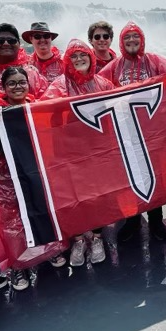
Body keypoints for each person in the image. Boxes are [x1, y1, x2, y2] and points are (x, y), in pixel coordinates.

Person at [0, 67, 69, 286]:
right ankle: (18, 266)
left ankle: (49, 253)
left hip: (36, 175)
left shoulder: (36, 108)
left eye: (22, 82)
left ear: (29, 84)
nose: (17, 87)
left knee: (41, 213)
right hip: (8, 180)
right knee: (13, 226)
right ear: (3, 87)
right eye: (12, 83)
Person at [99, 21, 166, 242]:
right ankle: (132, 220)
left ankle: (156, 220)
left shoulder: (154, 60)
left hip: (152, 130)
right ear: (121, 42)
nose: (132, 41)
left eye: (136, 37)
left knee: (154, 175)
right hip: (126, 130)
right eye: (127, 38)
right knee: (129, 176)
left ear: (142, 40)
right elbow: (96, 87)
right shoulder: (115, 66)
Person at [43, 39, 115, 266]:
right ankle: (77, 239)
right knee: (74, 197)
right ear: (67, 61)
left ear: (91, 57)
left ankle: (95, 238)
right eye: (73, 56)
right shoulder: (59, 85)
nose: (79, 59)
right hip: (70, 151)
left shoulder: (102, 82)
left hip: (97, 150)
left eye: (83, 55)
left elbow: (116, 108)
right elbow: (43, 111)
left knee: (97, 196)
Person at [0, 23, 49, 97]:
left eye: (11, 40)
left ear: (19, 43)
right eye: (0, 40)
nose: (6, 43)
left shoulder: (31, 73)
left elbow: (44, 101)